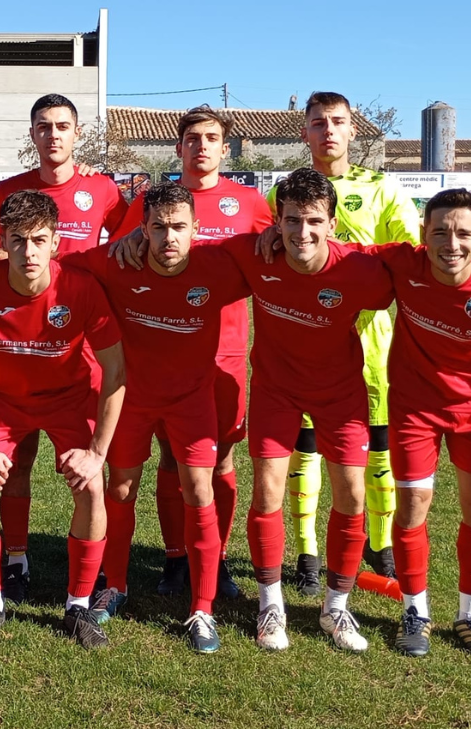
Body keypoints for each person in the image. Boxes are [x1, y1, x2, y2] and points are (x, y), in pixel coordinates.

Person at [62, 182, 250, 653]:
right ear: (143, 229)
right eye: (159, 227)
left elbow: (275, 263)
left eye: (179, 227)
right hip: (131, 398)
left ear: (196, 230)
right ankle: (117, 584)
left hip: (193, 400)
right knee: (121, 486)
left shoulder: (218, 267)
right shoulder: (117, 261)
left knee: (199, 488)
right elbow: (57, 263)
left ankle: (202, 607)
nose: (170, 238)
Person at [0, 94, 130, 604]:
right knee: (11, 466)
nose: (53, 134)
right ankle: (13, 561)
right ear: (31, 134)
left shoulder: (102, 189)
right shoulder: (10, 191)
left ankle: (86, 585)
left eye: (62, 126)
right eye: (43, 126)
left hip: (73, 341)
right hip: (13, 349)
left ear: (77, 133)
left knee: (92, 477)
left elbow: (127, 239)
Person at [222, 168, 393, 652]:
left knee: (353, 495)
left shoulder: (357, 269)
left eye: (314, 221)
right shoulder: (254, 254)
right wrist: (129, 238)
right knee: (268, 489)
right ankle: (270, 604)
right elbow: (188, 249)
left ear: (333, 224)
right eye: (292, 220)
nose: (303, 232)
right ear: (277, 222)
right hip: (276, 389)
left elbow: (414, 271)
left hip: (341, 394)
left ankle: (336, 609)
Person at [0, 190, 125, 651]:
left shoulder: (81, 288)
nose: (29, 252)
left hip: (68, 398)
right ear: (3, 240)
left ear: (56, 242)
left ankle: (79, 606)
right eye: (19, 240)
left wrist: (97, 452)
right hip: (2, 400)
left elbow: (116, 371)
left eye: (39, 240)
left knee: (91, 485)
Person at [108, 104, 273, 600]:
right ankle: (175, 558)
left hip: (221, 355)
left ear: (226, 148)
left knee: (216, 460)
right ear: (178, 147)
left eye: (211, 138)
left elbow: (275, 252)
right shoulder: (150, 202)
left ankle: (215, 561)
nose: (201, 146)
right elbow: (119, 253)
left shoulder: (249, 203)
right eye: (192, 138)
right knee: (166, 458)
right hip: (157, 354)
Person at [368, 189, 471, 662]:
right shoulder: (403, 264)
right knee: (413, 506)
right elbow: (341, 252)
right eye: (440, 231)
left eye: (463, 233)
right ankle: (415, 612)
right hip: (414, 410)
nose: (452, 243)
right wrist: (277, 238)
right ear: (424, 234)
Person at [265, 91, 421, 593]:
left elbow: (410, 255)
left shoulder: (384, 189)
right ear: (304, 132)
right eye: (317, 123)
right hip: (302, 344)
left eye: (338, 122)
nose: (328, 130)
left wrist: (348, 253)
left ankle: (380, 545)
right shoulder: (281, 193)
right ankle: (307, 552)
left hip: (371, 347)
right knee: (303, 451)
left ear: (354, 131)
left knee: (377, 452)